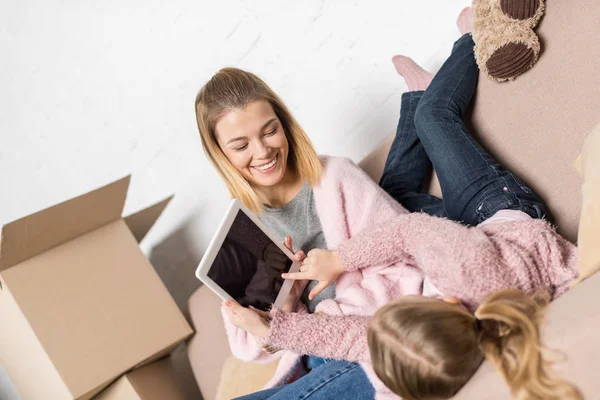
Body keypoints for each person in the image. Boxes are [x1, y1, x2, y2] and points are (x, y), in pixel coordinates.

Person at [217, 14, 581, 400]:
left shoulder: (421, 355)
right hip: (496, 210)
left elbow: (361, 339)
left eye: (268, 131)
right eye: (241, 144)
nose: (260, 151)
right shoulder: (465, 272)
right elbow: (408, 232)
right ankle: (470, 36)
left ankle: (413, 100)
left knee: (396, 193)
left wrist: (276, 327)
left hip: (446, 243)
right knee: (433, 117)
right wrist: (339, 260)